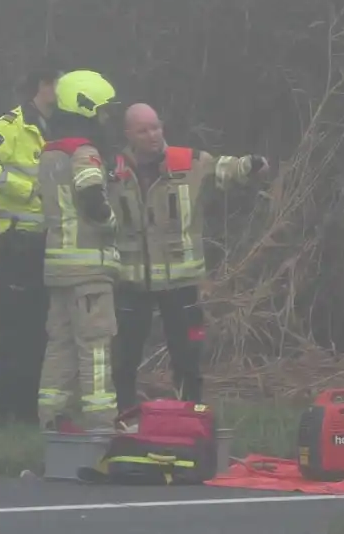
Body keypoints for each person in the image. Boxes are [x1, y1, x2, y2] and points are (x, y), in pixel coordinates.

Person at [109, 103, 269, 418]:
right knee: (124, 357)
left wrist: (253, 165)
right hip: (130, 281)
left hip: (181, 282)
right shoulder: (111, 170)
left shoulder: (190, 162)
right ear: (128, 134)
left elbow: (226, 169)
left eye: (156, 127)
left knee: (188, 355)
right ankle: (124, 416)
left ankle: (191, 416)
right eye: (143, 130)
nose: (152, 135)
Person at [0, 63, 63, 430]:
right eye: (61, 83)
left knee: (43, 329)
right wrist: (29, 190)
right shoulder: (12, 124)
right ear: (45, 84)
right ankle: (1, 411)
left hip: (51, 243)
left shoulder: (62, 126)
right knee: (14, 329)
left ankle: (27, 410)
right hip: (19, 241)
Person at [36, 69, 123, 432]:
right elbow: (92, 199)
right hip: (88, 270)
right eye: (103, 111)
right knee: (96, 347)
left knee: (60, 347)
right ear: (86, 109)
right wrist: (114, 224)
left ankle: (50, 421)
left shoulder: (50, 153)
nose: (107, 119)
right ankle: (102, 423)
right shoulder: (85, 153)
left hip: (58, 268)